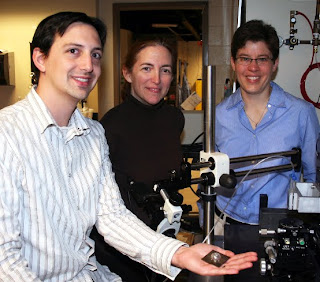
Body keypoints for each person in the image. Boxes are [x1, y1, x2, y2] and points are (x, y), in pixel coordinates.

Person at [0, 11, 258, 281]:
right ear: (40, 58)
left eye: (96, 54)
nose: (88, 65)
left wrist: (179, 253)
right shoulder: (7, 135)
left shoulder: (93, 135)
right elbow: (5, 260)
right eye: (74, 51)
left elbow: (112, 218)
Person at [199, 20, 319, 233]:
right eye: (245, 58)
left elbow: (312, 177)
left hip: (280, 227)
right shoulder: (218, 115)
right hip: (225, 223)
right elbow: (207, 174)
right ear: (233, 63)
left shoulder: (301, 113)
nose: (253, 68)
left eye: (262, 59)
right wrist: (205, 222)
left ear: (275, 64)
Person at [90, 39, 185, 281]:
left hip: (164, 239)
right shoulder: (109, 127)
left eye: (165, 70)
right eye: (146, 68)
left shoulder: (174, 118)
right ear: (127, 73)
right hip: (123, 252)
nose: (156, 79)